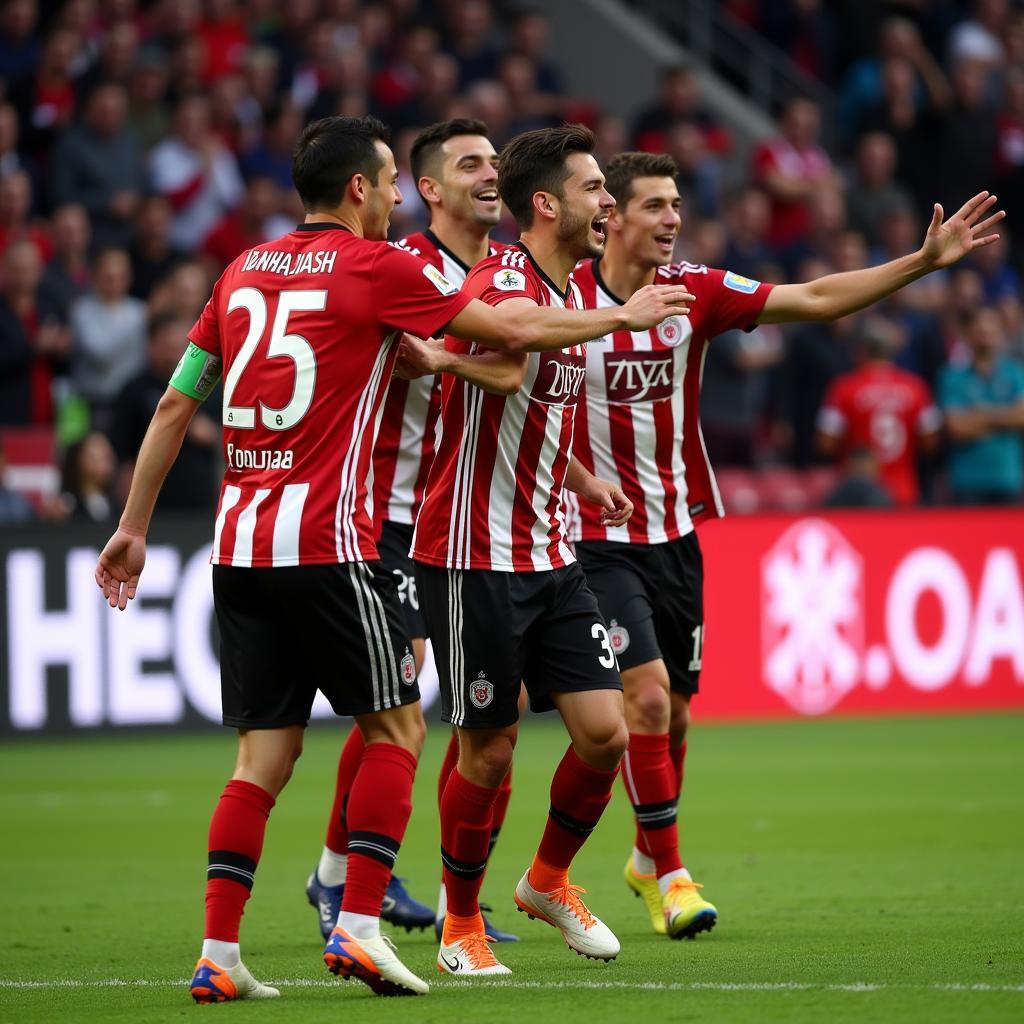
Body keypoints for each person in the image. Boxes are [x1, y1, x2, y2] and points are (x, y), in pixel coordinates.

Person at [93, 114, 693, 1003]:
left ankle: (219, 956)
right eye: (389, 181)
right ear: (362, 189)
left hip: (241, 544)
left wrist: (133, 526)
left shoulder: (241, 270)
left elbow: (179, 403)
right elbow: (508, 334)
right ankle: (362, 927)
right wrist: (623, 312)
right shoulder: (380, 268)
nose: (395, 200)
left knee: (260, 761)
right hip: (337, 540)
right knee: (401, 728)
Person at [569, 150, 1004, 941]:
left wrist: (919, 264)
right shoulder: (559, 298)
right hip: (593, 539)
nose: (673, 218)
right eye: (656, 205)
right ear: (612, 219)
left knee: (675, 723)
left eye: (677, 204)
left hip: (675, 533)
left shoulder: (693, 292)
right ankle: (671, 878)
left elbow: (813, 298)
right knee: (650, 698)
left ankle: (642, 854)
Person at [402, 125, 668, 978]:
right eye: (596, 190)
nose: (609, 205)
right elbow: (511, 332)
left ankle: (547, 880)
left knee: (606, 734)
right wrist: (621, 314)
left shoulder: (571, 285)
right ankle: (458, 922)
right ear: (548, 203)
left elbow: (535, 397)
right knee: (490, 745)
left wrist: (585, 481)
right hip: (472, 552)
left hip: (553, 551)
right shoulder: (507, 273)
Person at [304, 117, 517, 944]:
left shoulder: (501, 270)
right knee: (396, 701)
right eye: (471, 163)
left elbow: (514, 383)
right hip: (387, 513)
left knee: (478, 706)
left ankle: (444, 896)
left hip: (455, 520)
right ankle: (340, 880)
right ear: (427, 188)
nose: (489, 173)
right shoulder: (401, 267)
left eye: (495, 160)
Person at [817, 318, 941, 505]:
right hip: (904, 490)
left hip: (858, 494)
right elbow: (931, 442)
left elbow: (825, 443)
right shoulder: (916, 387)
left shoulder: (843, 388)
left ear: (861, 350)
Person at [939, 306, 1024, 504]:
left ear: (1000, 333)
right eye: (980, 330)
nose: (985, 335)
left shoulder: (1016, 373)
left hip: (1007, 479)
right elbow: (957, 428)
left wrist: (981, 414)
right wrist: (1004, 417)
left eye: (990, 330)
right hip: (967, 482)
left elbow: (1021, 418)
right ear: (968, 334)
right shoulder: (952, 377)